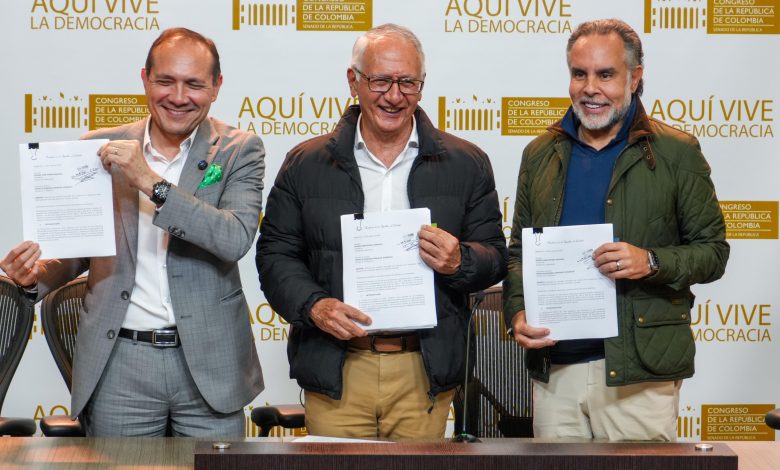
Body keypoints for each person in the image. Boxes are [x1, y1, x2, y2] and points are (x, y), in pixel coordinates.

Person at [0, 27, 265, 437]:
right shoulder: (99, 146)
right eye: (165, 81)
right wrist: (36, 277)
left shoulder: (239, 150)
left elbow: (233, 239)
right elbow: (78, 251)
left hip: (210, 363)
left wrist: (152, 184)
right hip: (120, 361)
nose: (178, 96)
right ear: (145, 79)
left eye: (194, 84)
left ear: (216, 87)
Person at [256, 23, 507, 439]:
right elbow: (276, 255)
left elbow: (496, 255)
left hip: (422, 369)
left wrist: (461, 260)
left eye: (407, 82)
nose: (394, 96)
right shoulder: (306, 163)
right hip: (337, 365)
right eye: (381, 81)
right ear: (353, 81)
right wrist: (315, 306)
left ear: (422, 86)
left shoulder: (467, 163)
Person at [503, 19, 729, 441]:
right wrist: (517, 312)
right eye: (579, 73)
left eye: (605, 74)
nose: (591, 88)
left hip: (637, 377)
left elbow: (714, 252)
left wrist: (651, 261)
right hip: (557, 373)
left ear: (635, 77)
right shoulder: (538, 154)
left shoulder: (677, 153)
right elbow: (518, 252)